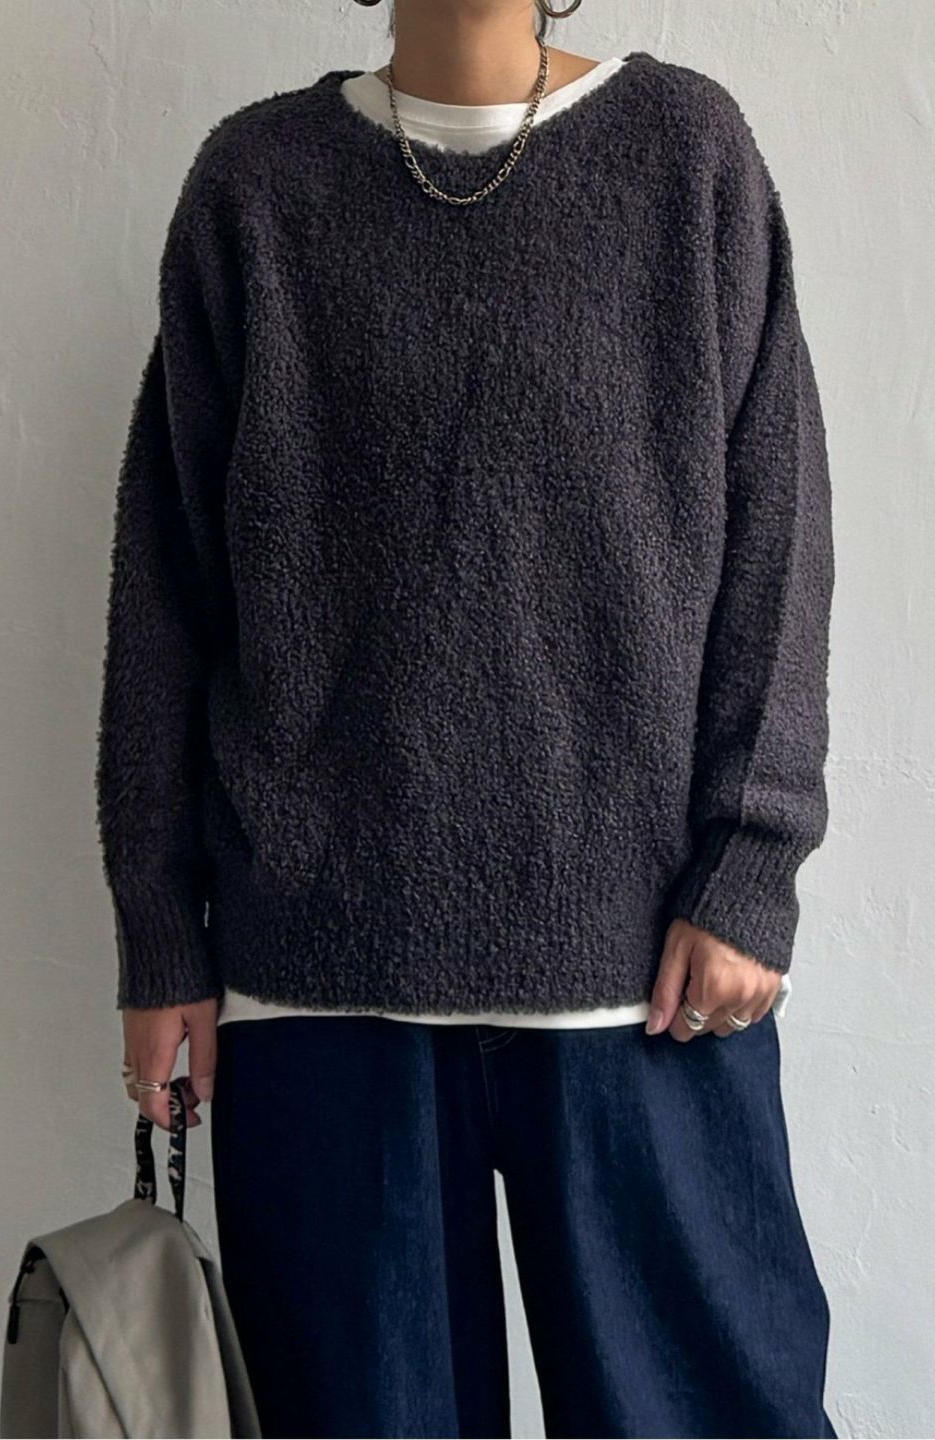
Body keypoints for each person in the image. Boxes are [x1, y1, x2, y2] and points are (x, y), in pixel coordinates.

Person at [96, 2, 837, 1435]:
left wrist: (754, 860)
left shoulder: (687, 156)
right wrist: (160, 923)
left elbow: (778, 535)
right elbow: (167, 587)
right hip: (323, 984)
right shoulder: (257, 187)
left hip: (643, 981)